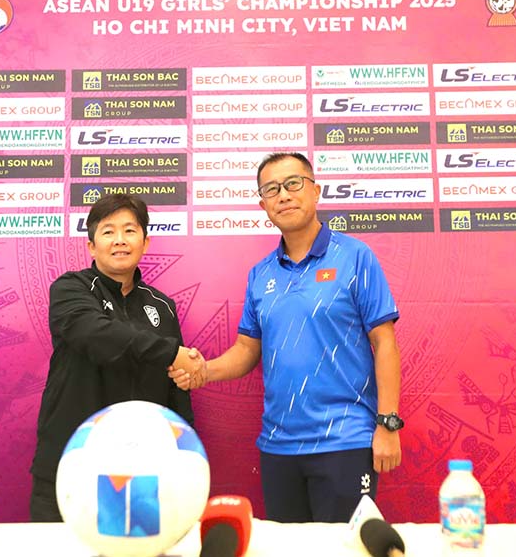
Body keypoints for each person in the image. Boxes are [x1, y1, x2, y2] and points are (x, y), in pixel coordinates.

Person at [170, 152, 402, 523]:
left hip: (345, 440)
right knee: (287, 547)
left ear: (316, 191)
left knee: (343, 547)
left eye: (294, 183)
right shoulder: (260, 274)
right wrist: (203, 371)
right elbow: (246, 350)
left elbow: (384, 342)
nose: (284, 195)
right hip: (279, 446)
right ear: (263, 205)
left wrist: (387, 424)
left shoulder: (355, 257)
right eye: (272, 189)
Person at [30, 193, 205, 521]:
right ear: (91, 246)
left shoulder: (163, 307)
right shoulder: (70, 288)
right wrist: (171, 352)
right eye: (108, 231)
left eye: (130, 230)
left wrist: (187, 457)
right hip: (70, 466)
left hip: (143, 475)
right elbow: (96, 335)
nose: (120, 240)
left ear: (145, 242)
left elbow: (176, 392)